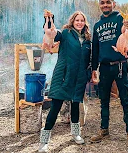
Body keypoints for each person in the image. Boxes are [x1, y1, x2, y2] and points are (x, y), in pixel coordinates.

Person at [90, 0, 128, 149]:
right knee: (104, 100)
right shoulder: (97, 25)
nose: (105, 5)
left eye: (108, 2)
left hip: (120, 66)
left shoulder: (120, 19)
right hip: (104, 67)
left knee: (125, 99)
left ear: (113, 3)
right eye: (102, 3)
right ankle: (104, 130)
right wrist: (93, 68)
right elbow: (95, 49)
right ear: (100, 5)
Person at [39, 11, 92, 153]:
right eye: (77, 20)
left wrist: (88, 72)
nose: (79, 23)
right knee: (55, 108)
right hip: (63, 75)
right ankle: (44, 142)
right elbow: (52, 32)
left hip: (79, 78)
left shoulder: (87, 39)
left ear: (85, 23)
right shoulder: (66, 33)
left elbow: (90, 58)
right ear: (72, 21)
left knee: (75, 106)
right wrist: (49, 20)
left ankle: (75, 133)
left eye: (82, 20)